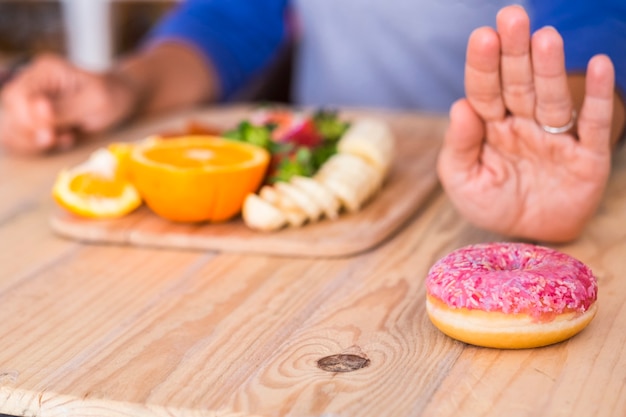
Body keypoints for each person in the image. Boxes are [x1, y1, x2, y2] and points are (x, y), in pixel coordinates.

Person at [0, 1, 624, 243]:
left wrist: (555, 136)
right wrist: (122, 85)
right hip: (324, 209)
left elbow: (598, 29)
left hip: (489, 207)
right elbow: (230, 19)